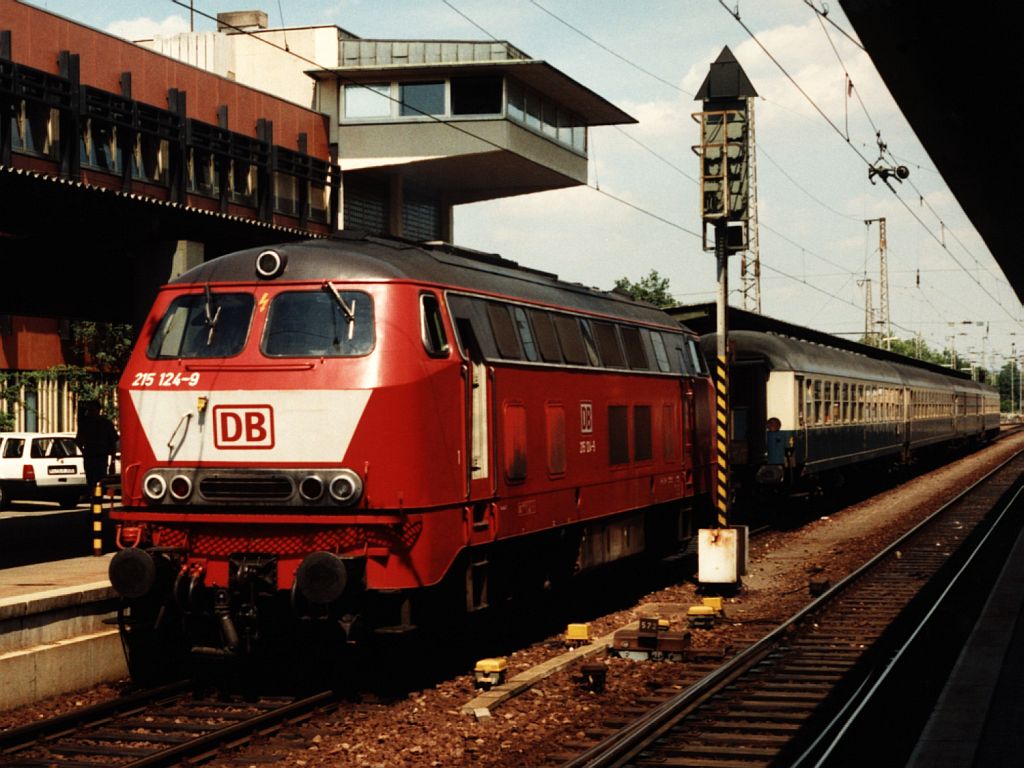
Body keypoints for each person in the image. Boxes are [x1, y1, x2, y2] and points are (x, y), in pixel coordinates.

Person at [75, 400, 118, 492]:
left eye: (92, 410)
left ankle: (97, 501)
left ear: (98, 410)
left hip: (101, 457)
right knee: (91, 482)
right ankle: (94, 501)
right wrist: (84, 452)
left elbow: (113, 443)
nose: (90, 412)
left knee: (100, 481)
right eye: (89, 410)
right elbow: (78, 440)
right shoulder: (85, 424)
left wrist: (113, 462)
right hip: (89, 457)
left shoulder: (106, 424)